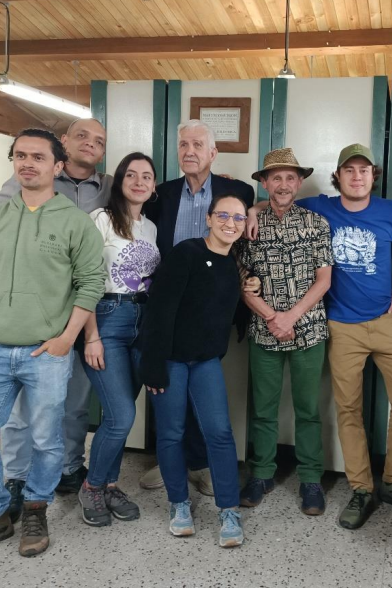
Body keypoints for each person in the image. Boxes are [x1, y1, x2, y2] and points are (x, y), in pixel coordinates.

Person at [0, 129, 105, 561]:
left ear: (58, 166)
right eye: (20, 156)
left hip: (45, 353)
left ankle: (36, 508)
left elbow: (89, 283)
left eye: (38, 156)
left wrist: (66, 340)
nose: (27, 163)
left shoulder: (76, 221)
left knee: (46, 440)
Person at [247, 143, 392, 529]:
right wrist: (251, 209)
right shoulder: (320, 208)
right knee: (348, 409)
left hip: (385, 322)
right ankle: (361, 488)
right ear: (338, 176)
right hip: (340, 327)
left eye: (364, 170)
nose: (357, 177)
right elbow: (276, 202)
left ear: (374, 176)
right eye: (349, 170)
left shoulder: (391, 211)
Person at [138, 119, 255, 495]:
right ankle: (175, 461)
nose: (190, 151)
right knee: (168, 388)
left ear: (213, 153)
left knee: (203, 395)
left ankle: (199, 462)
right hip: (168, 304)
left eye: (198, 145)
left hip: (210, 312)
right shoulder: (160, 194)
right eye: (183, 144)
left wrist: (252, 212)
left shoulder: (237, 190)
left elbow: (253, 204)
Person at [139, 194, 249, 548]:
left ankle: (229, 509)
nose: (230, 223)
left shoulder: (233, 265)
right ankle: (179, 505)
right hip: (169, 361)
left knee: (219, 432)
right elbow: (159, 311)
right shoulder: (186, 253)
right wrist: (153, 365)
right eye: (223, 215)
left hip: (204, 362)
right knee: (170, 434)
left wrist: (254, 286)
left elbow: (228, 313)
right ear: (209, 218)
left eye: (238, 217)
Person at [235, 148, 333, 515]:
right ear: (264, 182)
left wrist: (290, 317)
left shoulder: (315, 223)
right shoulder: (248, 227)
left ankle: (310, 479)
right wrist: (271, 317)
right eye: (275, 177)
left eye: (290, 177)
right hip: (264, 331)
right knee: (263, 409)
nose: (283, 184)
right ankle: (260, 474)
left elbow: (324, 280)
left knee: (308, 410)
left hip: (308, 329)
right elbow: (240, 278)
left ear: (300, 182)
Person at [77, 152, 161, 527]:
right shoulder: (100, 220)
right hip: (107, 320)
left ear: (154, 185)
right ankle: (92, 487)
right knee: (121, 415)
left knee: (119, 415)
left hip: (141, 324)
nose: (139, 181)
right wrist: (90, 335)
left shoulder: (150, 228)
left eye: (147, 176)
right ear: (120, 181)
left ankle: (110, 483)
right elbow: (84, 278)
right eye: (132, 175)